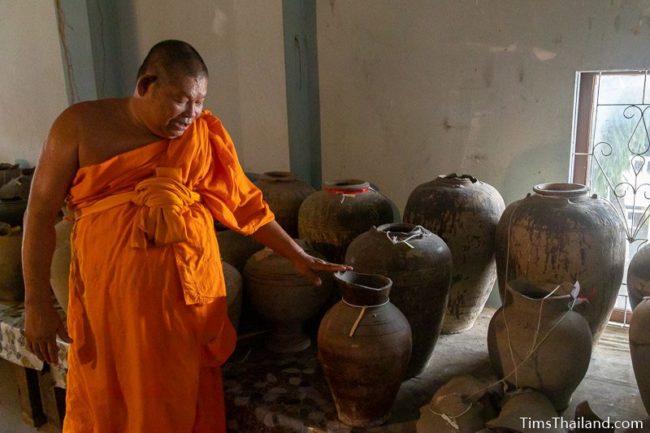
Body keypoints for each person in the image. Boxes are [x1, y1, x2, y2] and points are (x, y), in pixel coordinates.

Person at [22, 39, 349, 433]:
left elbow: (244, 206)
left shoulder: (199, 136)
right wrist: (37, 302)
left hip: (185, 303)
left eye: (199, 102)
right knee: (117, 400)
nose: (191, 114)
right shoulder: (79, 125)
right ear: (145, 85)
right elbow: (39, 214)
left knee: (184, 400)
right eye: (180, 100)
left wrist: (295, 253)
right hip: (114, 308)